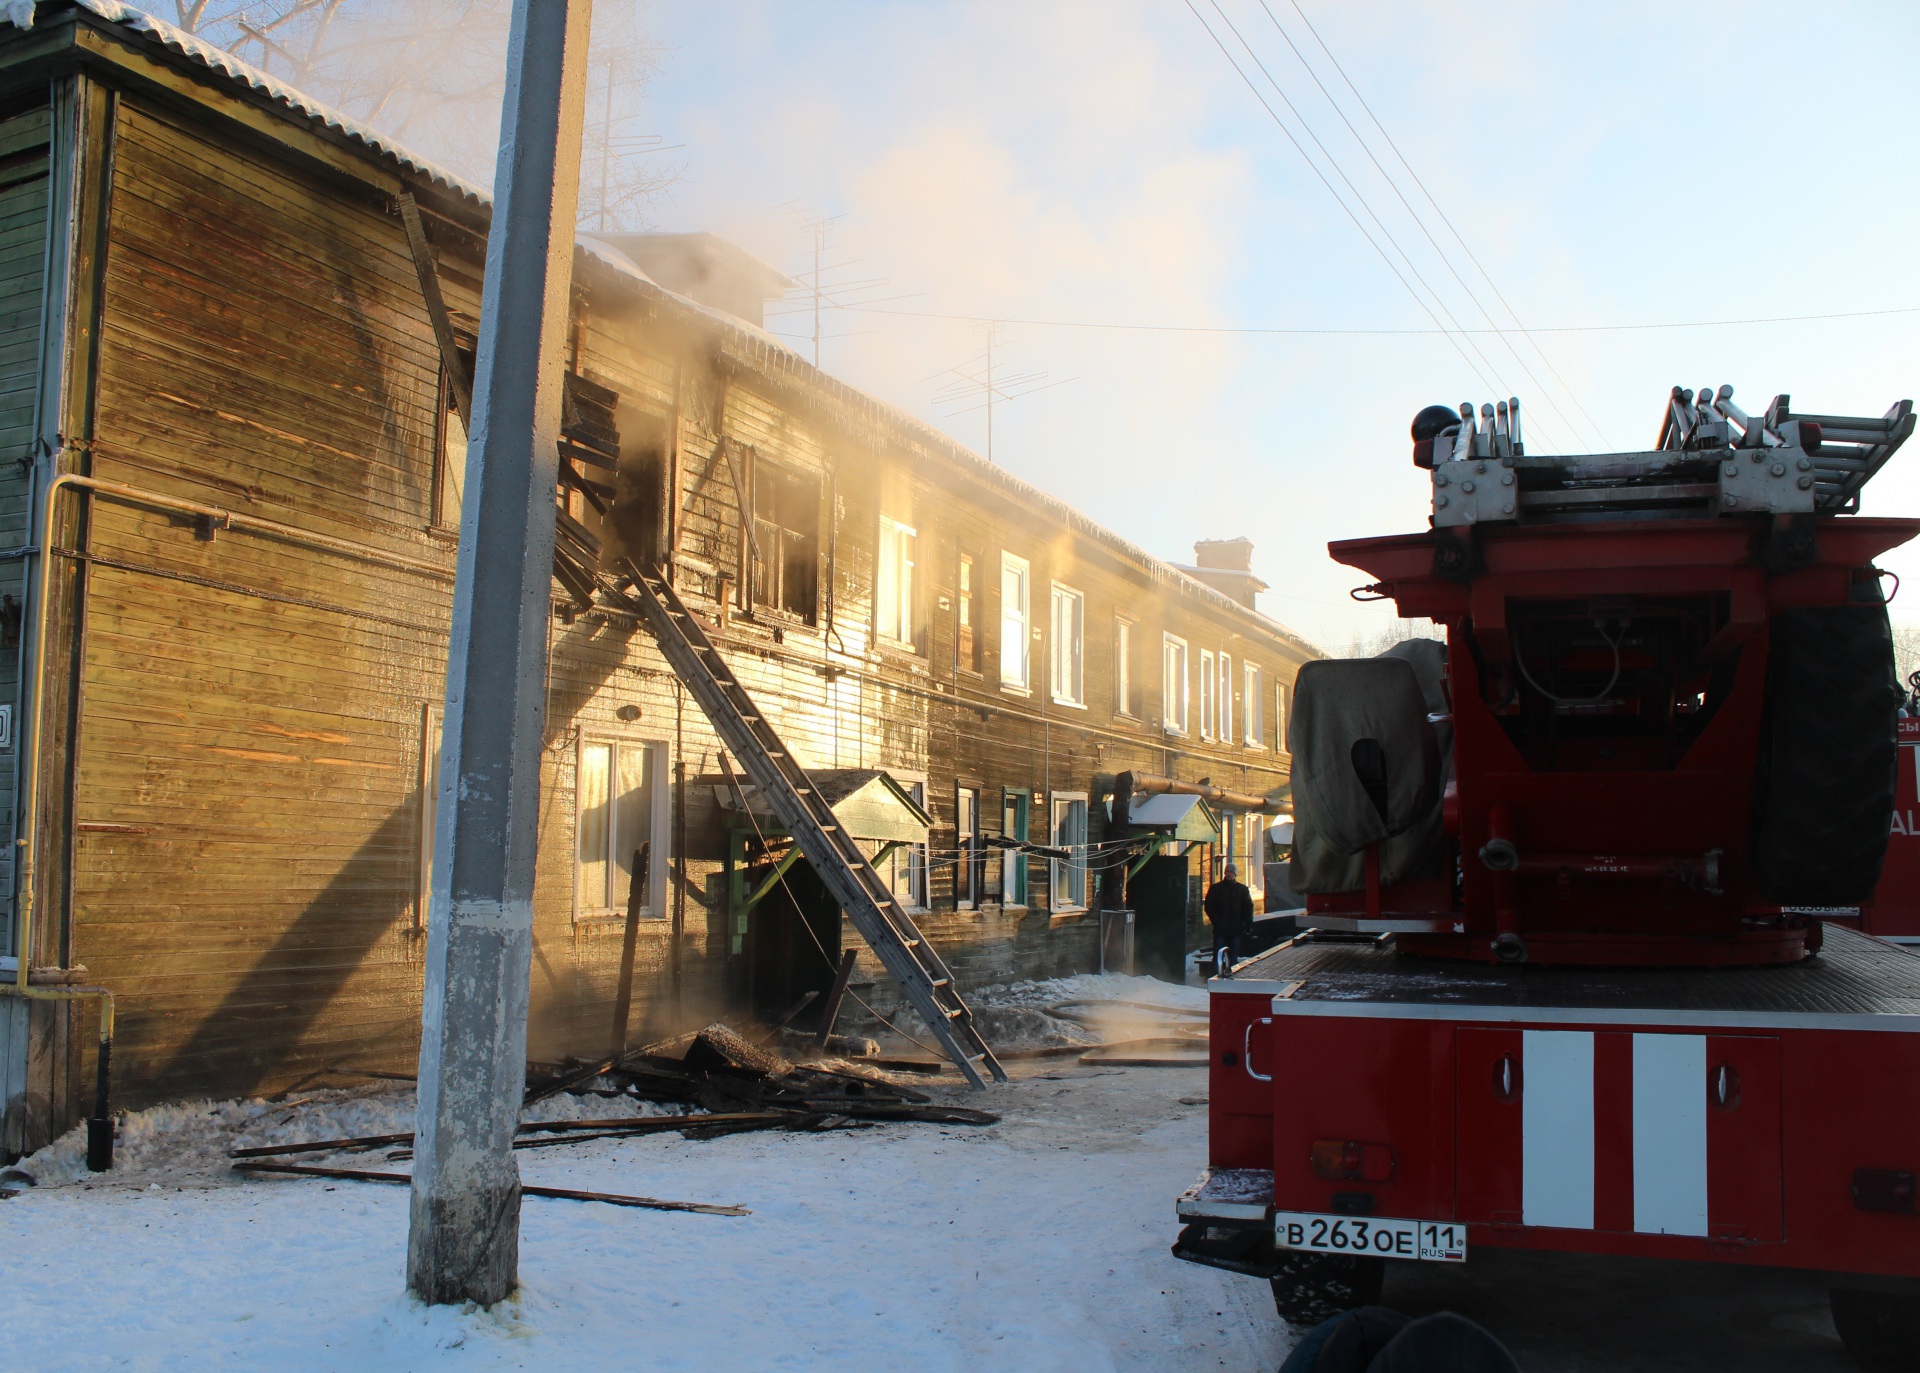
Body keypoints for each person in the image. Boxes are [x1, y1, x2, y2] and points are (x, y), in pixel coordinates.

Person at [1204, 862, 1255, 976]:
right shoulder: (1216, 889)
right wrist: (1216, 921)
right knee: (1218, 955)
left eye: (1231, 872)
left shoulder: (1242, 890)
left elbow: (1248, 907)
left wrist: (1248, 923)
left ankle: (1232, 976)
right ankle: (1216, 976)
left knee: (1234, 956)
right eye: (1227, 871)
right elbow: (1209, 906)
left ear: (1235, 874)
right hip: (1221, 928)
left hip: (1236, 928)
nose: (1229, 874)